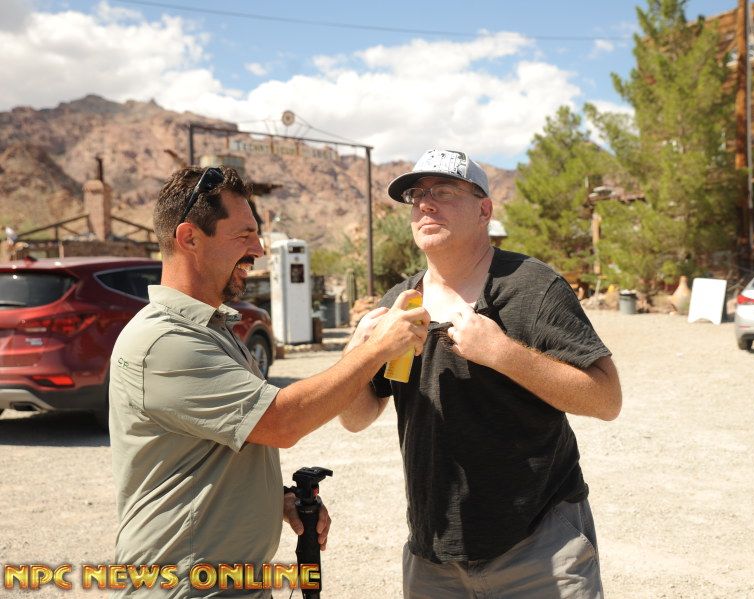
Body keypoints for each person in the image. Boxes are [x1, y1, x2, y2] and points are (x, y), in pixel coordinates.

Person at [109, 166, 428, 597]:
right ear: (189, 238)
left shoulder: (212, 329)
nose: (258, 249)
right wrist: (375, 349)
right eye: (244, 235)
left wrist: (275, 500)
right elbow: (281, 422)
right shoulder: (164, 342)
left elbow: (212, 451)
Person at [340, 149, 622, 598]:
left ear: (484, 210)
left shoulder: (532, 286)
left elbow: (606, 399)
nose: (426, 204)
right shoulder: (400, 303)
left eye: (444, 192)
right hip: (433, 558)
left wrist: (502, 353)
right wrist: (357, 351)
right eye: (417, 196)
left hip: (539, 548)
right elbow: (356, 417)